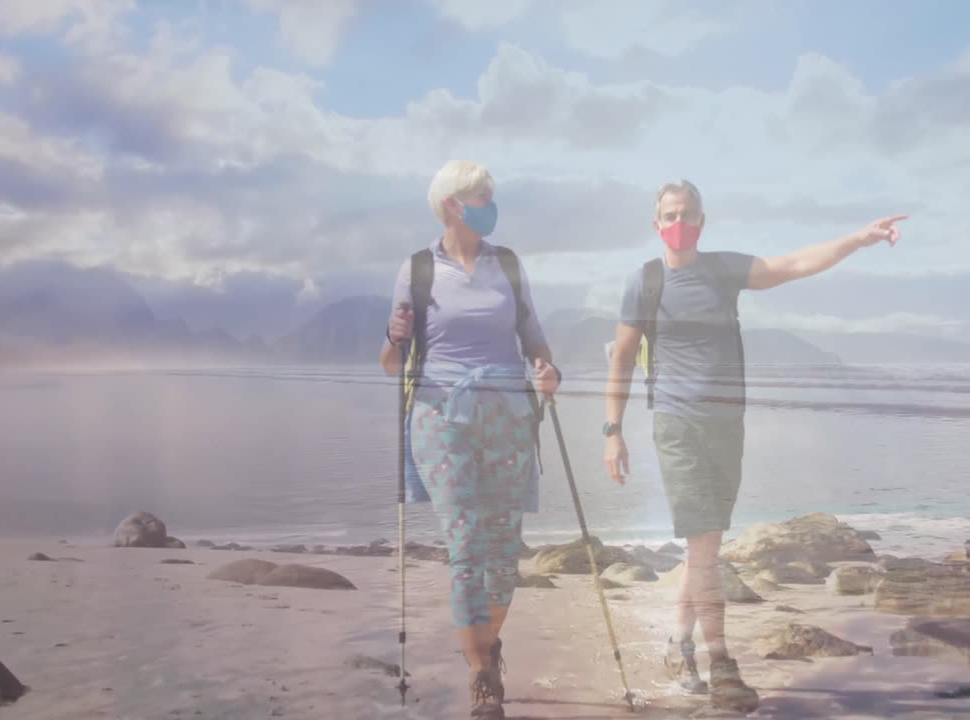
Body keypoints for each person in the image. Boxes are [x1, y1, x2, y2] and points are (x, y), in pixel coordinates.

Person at [602, 179, 905, 712]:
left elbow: (794, 264)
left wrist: (859, 239)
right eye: (670, 215)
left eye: (687, 214)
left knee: (704, 549)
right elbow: (623, 357)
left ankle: (678, 644)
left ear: (701, 221)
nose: (679, 223)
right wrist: (613, 431)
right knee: (704, 551)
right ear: (657, 224)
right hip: (678, 427)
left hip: (727, 427)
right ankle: (721, 663)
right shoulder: (645, 281)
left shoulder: (722, 271)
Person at [380, 160, 561, 720]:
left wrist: (546, 368)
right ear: (452, 206)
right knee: (464, 549)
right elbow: (390, 363)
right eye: (482, 196)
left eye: (490, 195)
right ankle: (482, 675)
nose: (491, 204)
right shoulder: (418, 269)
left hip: (509, 416)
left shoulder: (507, 264)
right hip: (441, 418)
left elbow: (533, 337)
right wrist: (394, 337)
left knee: (504, 555)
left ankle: (489, 644)